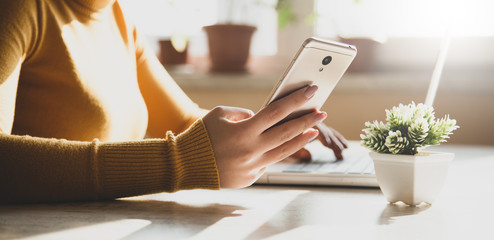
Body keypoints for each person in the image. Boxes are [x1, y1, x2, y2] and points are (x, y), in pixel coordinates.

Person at [0, 0, 347, 204]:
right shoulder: (20, 9)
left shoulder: (115, 15)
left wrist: (264, 131)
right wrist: (179, 162)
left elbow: (184, 123)